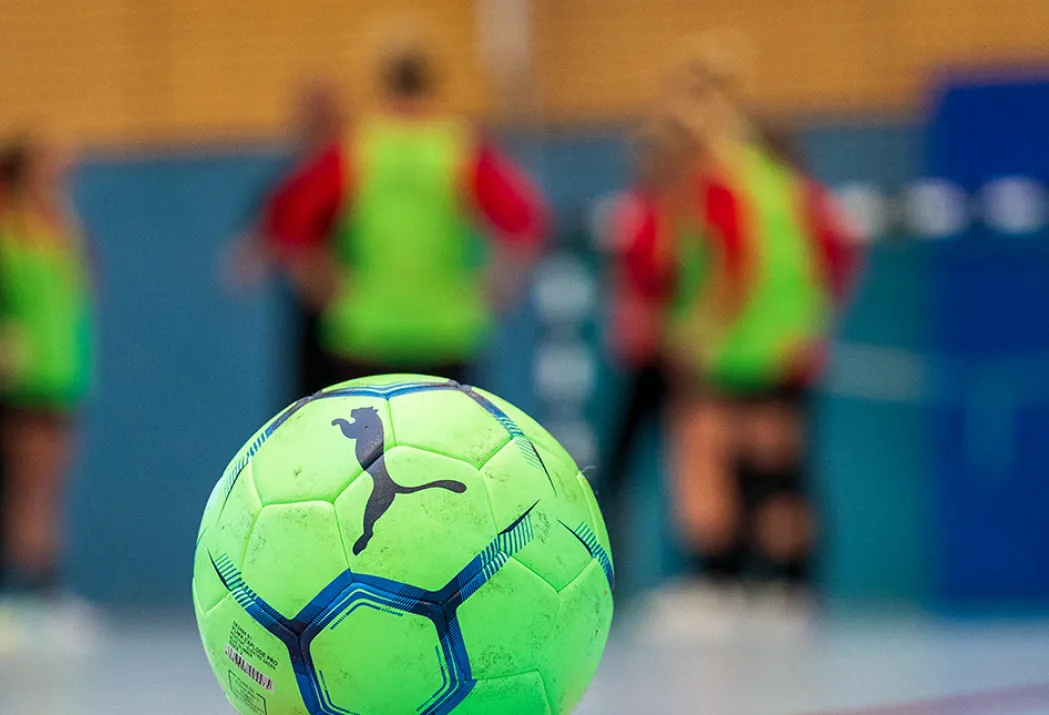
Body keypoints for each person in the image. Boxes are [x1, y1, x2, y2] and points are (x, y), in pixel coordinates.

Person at [634, 33, 862, 594]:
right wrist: (810, 320)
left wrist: (701, 330)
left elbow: (732, 262)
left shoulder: (719, 182)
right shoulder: (779, 178)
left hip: (738, 347)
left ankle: (725, 583)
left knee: (717, 462)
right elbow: (836, 247)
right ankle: (786, 585)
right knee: (776, 470)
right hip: (782, 345)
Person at [264, 40, 547, 386]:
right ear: (433, 81)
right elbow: (524, 222)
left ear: (381, 83)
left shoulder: (356, 148)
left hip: (368, 332)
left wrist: (330, 292)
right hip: (446, 333)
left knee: (368, 440)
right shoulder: (459, 147)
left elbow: (293, 227)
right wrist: (488, 293)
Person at [0, 133, 96, 652]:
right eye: (46, 167)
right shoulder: (8, 231)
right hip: (24, 380)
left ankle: (43, 591)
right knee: (27, 489)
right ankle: (23, 593)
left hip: (65, 375)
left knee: (50, 488)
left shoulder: (63, 229)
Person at [600, 111, 697, 564]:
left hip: (677, 358)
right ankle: (612, 565)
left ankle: (706, 574)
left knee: (692, 467)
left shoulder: (684, 213)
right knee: (618, 467)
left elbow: (688, 283)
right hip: (640, 358)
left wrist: (671, 327)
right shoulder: (639, 207)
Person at [227, 79, 347, 397]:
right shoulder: (290, 184)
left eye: (323, 114)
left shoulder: (358, 176)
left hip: (361, 325)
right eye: (310, 115)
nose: (316, 123)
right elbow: (246, 259)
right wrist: (294, 257)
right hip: (310, 329)